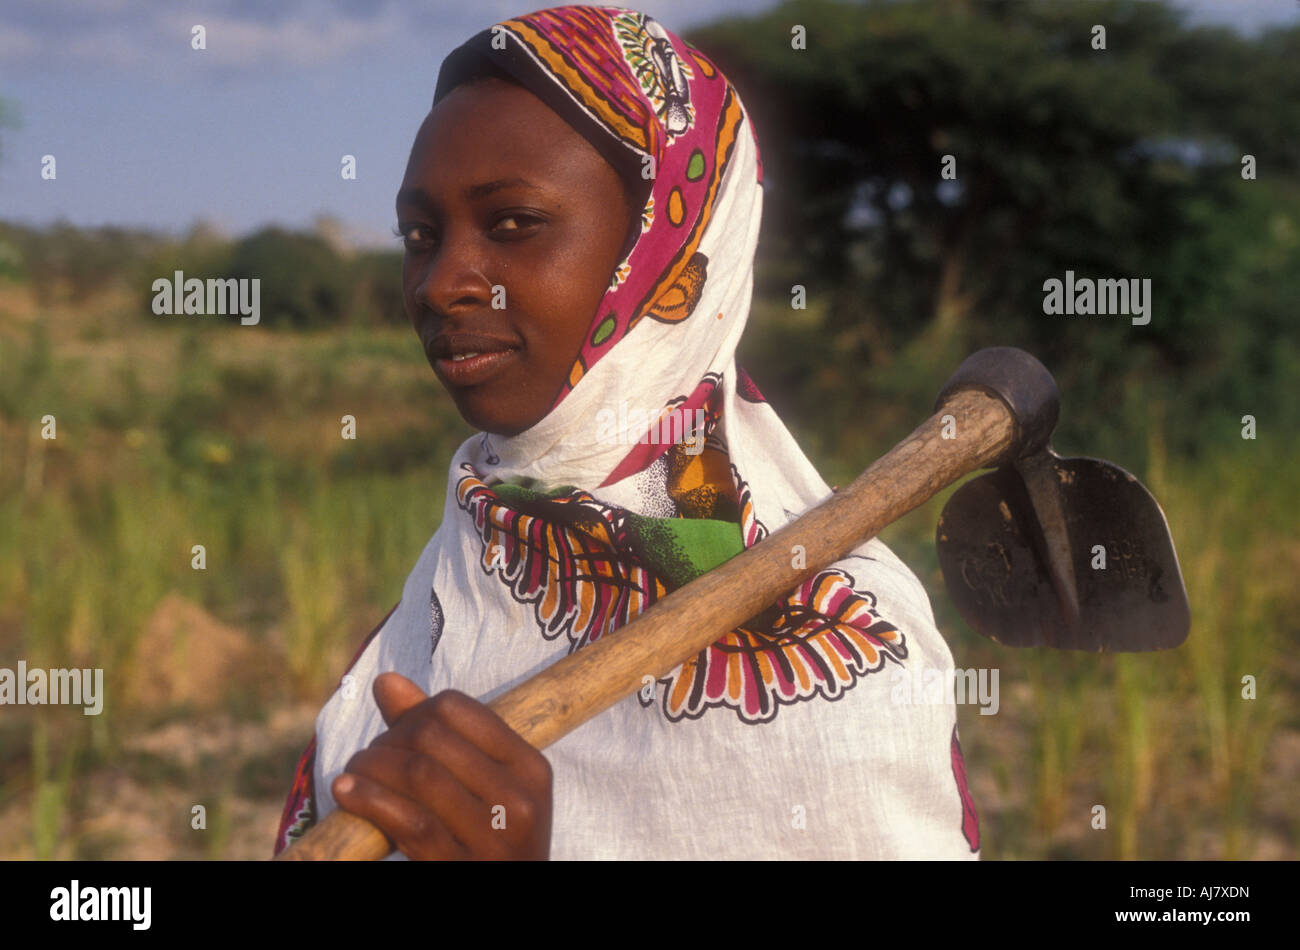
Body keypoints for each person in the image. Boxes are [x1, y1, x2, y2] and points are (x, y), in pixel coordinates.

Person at [275, 4, 980, 860]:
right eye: (420, 236)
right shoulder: (454, 579)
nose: (440, 282)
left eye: (512, 226)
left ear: (672, 264)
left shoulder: (849, 655)